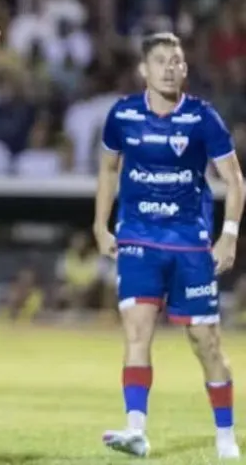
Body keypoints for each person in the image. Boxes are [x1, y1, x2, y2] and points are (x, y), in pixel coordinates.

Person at [94, 32, 244, 460]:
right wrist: (100, 225)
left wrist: (228, 234)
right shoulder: (122, 115)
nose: (169, 67)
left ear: (185, 68)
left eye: (176, 60)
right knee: (137, 332)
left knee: (207, 342)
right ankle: (136, 429)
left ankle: (225, 436)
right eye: (160, 60)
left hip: (190, 245)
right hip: (139, 238)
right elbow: (107, 170)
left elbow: (235, 179)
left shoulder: (203, 118)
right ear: (144, 69)